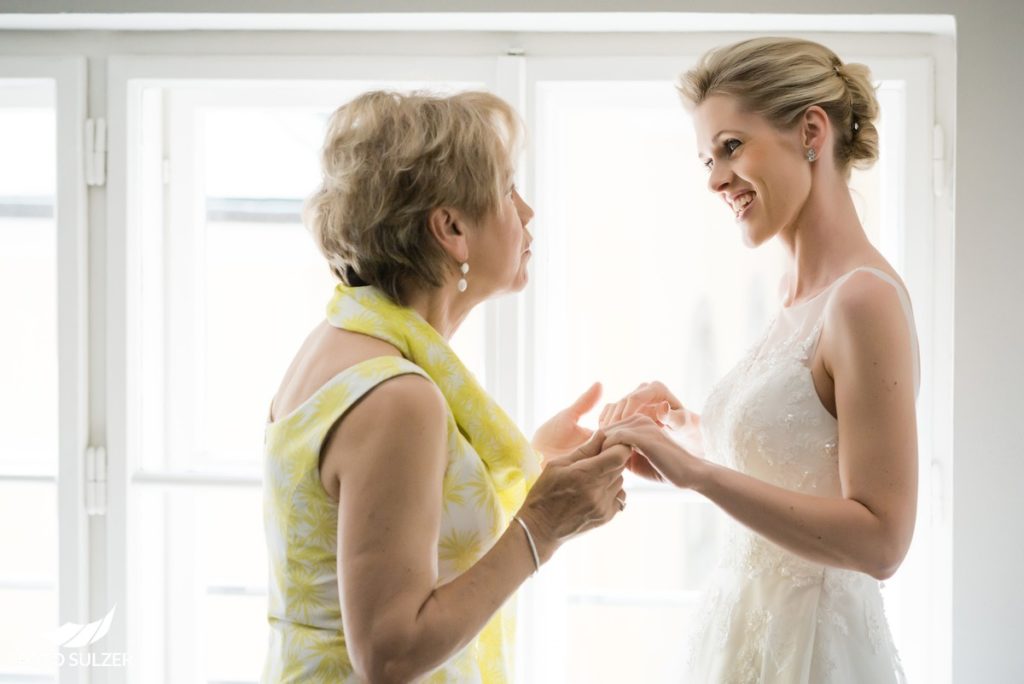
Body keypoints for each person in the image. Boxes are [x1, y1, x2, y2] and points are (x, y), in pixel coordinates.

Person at [262, 90, 628, 683]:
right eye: (508, 190)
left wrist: (542, 461)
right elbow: (389, 653)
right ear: (452, 228)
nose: (528, 212)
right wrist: (543, 526)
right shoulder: (397, 397)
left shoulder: (340, 341)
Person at [601, 38, 919, 682]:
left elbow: (882, 541)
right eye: (706, 158)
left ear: (810, 132)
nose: (715, 178)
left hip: (813, 651)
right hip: (745, 633)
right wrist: (684, 429)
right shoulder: (792, 295)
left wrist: (696, 475)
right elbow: (798, 460)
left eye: (731, 147)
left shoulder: (864, 301)